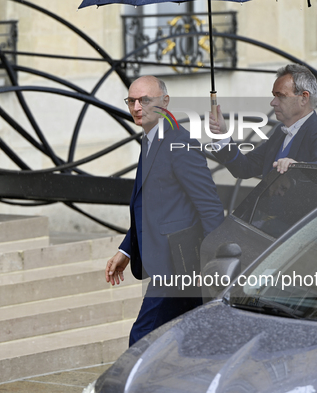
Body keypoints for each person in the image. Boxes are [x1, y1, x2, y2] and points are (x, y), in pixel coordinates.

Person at [105, 75, 224, 346]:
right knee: (186, 341)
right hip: (165, 262)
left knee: (142, 339)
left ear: (165, 102)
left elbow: (209, 205)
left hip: (177, 265)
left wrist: (215, 261)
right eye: (132, 101)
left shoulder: (179, 143)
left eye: (145, 100)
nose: (137, 107)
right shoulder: (150, 140)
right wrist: (126, 250)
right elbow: (149, 207)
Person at [208, 63, 317, 178]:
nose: (273, 102)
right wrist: (222, 134)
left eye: (281, 96)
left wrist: (298, 167)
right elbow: (244, 168)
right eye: (274, 96)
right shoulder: (279, 134)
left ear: (303, 98)